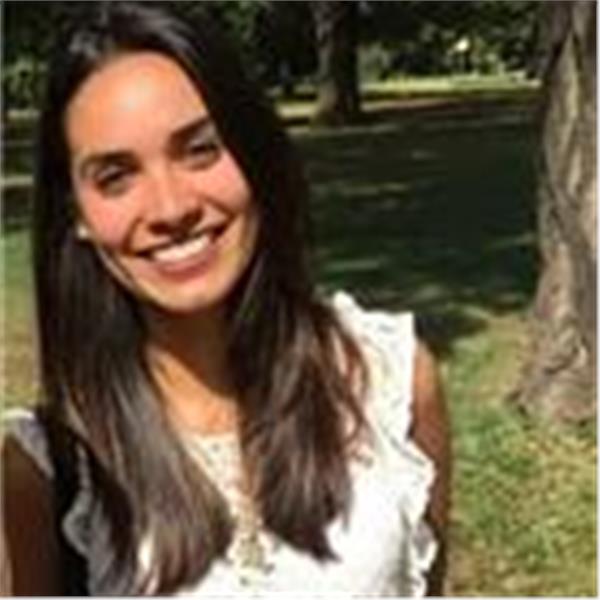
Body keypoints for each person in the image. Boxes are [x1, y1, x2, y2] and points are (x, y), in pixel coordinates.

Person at [1, 2, 451, 596]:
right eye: (115, 176)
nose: (171, 208)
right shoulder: (50, 470)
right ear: (76, 214)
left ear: (253, 153)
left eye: (200, 149)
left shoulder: (389, 383)